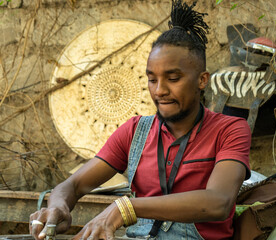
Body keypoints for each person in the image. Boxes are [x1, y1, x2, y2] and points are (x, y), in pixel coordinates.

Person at [30, 0, 251, 239]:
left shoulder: (230, 129)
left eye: (173, 78)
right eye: (152, 79)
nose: (159, 90)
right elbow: (72, 186)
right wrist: (58, 205)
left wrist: (126, 208)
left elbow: (218, 202)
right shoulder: (135, 131)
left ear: (202, 80)